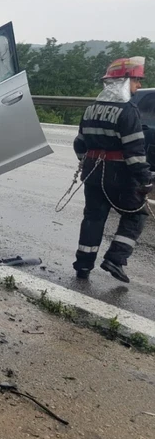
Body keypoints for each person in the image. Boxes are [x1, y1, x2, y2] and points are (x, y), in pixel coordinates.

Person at [73, 57, 153, 283]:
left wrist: (87, 163)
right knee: (137, 214)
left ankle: (83, 265)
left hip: (92, 173)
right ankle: (115, 259)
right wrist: (145, 180)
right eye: (136, 81)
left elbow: (79, 144)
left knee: (93, 217)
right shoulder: (128, 111)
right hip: (120, 175)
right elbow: (135, 153)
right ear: (124, 82)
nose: (138, 86)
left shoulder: (90, 109)